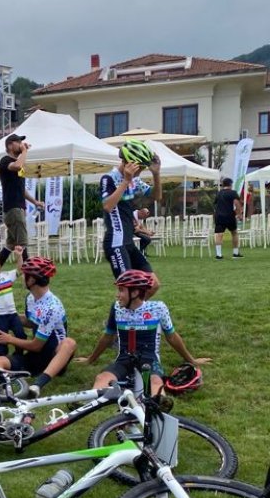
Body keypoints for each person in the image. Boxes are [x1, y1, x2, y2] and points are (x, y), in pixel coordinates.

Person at [76, 269, 210, 395]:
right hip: (124, 359)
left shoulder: (158, 308)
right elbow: (107, 336)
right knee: (101, 378)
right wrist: (90, 359)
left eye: (121, 290)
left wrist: (191, 360)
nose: (117, 295)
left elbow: (172, 337)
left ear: (134, 293)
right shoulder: (116, 308)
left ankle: (158, 407)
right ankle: (89, 405)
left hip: (149, 359)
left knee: (155, 382)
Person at [0, 256, 77, 397]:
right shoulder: (31, 297)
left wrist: (9, 339)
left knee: (69, 343)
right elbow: (31, 322)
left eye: (24, 275)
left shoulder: (51, 307)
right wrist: (4, 316)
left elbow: (36, 345)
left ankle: (38, 384)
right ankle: (11, 386)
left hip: (54, 356)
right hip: (34, 358)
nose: (22, 278)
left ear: (32, 280)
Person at [100, 141, 162, 286]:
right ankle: (124, 307)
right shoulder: (108, 178)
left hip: (128, 242)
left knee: (153, 285)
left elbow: (157, 197)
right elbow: (108, 206)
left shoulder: (136, 180)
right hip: (116, 243)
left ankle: (130, 308)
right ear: (128, 162)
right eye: (140, 166)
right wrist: (126, 181)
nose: (141, 170)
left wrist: (156, 174)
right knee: (128, 289)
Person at [0, 133, 44, 265]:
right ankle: (30, 273)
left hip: (16, 208)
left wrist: (35, 202)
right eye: (18, 142)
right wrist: (24, 151)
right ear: (10, 145)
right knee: (22, 242)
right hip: (13, 208)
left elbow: (21, 189)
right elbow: (17, 166)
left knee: (11, 244)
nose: (21, 144)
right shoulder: (5, 161)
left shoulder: (17, 164)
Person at [214, 176, 243, 259]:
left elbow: (215, 205)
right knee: (234, 233)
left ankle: (219, 255)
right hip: (229, 216)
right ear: (230, 184)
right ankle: (235, 253)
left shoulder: (219, 193)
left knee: (219, 234)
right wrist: (239, 215)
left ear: (223, 185)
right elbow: (237, 204)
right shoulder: (233, 193)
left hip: (219, 216)